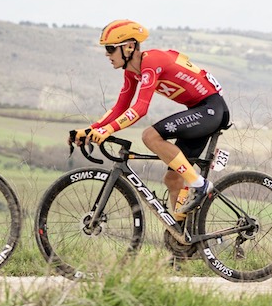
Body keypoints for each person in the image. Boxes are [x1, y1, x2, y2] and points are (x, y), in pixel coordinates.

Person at [77, 20, 229, 223]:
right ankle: (183, 240)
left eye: (110, 49)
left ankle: (199, 185)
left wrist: (108, 130)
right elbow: (121, 107)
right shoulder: (132, 72)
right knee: (173, 179)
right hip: (199, 112)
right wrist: (91, 129)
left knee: (150, 136)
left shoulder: (152, 62)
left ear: (129, 47)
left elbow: (140, 108)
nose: (107, 54)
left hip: (211, 109)